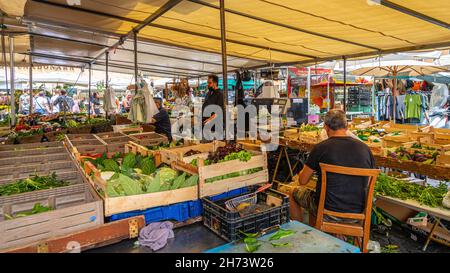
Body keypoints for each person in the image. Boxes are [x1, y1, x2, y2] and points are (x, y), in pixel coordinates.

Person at [290, 109, 376, 224]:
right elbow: (369, 183)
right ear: (347, 126)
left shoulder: (321, 148)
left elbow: (303, 181)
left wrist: (302, 172)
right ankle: (331, 232)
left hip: (327, 211)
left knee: (292, 193)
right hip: (358, 213)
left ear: (325, 127)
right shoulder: (365, 149)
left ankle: (302, 232)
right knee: (314, 197)